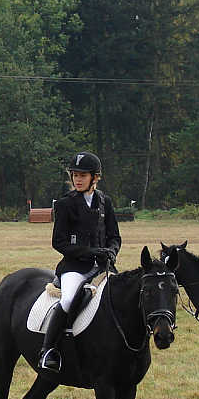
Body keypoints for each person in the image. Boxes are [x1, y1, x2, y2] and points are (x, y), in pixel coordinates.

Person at [38, 152, 122, 372]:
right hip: (75, 267)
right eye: (75, 175)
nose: (77, 179)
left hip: (103, 268)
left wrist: (111, 251)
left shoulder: (105, 202)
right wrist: (90, 251)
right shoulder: (66, 204)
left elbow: (114, 236)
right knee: (68, 300)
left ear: (95, 177)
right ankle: (49, 350)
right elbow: (59, 242)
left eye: (82, 175)